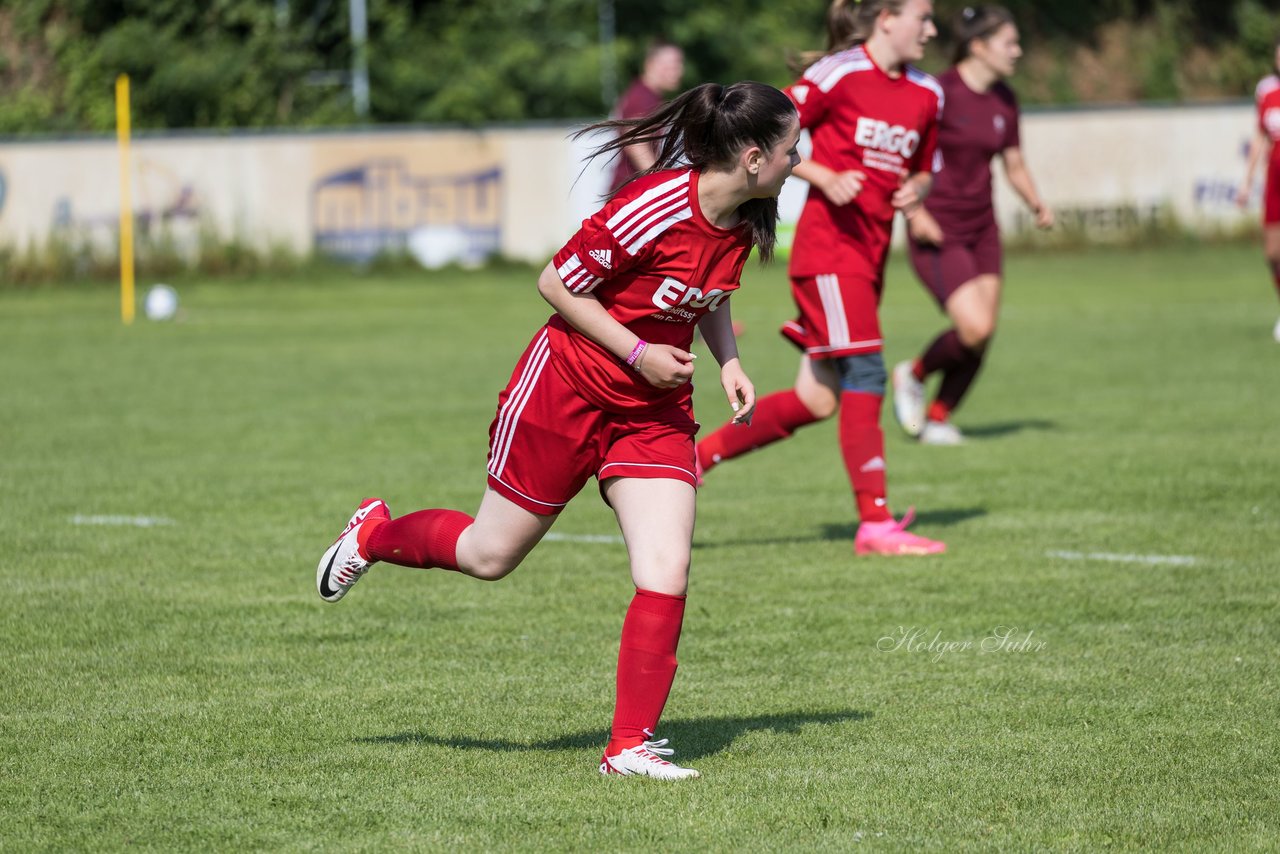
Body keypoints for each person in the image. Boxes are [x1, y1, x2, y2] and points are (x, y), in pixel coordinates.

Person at [315, 82, 802, 781]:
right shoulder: (653, 205)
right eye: (793, 149)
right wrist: (636, 352)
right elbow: (556, 283)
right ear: (754, 158)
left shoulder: (749, 214)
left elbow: (708, 296)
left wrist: (728, 360)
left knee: (666, 568)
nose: (800, 160)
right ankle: (373, 533)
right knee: (488, 556)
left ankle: (627, 747)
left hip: (653, 414)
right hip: (565, 392)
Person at [695, 0, 947, 557]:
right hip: (830, 256)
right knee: (868, 370)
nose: (931, 30)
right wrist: (824, 173)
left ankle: (697, 458)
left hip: (871, 259)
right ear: (887, 18)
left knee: (817, 401)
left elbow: (927, 166)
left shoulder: (929, 93)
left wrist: (919, 193)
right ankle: (875, 524)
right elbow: (768, 135)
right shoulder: (839, 74)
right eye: (923, 18)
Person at [891, 5, 1054, 445]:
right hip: (937, 225)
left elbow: (1014, 163)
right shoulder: (937, 92)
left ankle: (940, 417)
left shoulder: (1005, 98)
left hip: (983, 228)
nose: (1018, 52)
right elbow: (903, 155)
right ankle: (914, 373)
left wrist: (1036, 201)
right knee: (974, 327)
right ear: (978, 47)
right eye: (1010, 43)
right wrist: (915, 212)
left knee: (983, 333)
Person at [1237, 35, 1280, 343]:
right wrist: (1246, 181)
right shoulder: (1266, 90)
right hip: (1275, 179)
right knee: (1273, 253)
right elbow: (1259, 137)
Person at [609, 39, 685, 193]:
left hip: (633, 190)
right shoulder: (642, 97)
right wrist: (661, 183)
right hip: (631, 194)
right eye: (674, 65)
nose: (680, 71)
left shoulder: (649, 96)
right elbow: (634, 141)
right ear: (651, 64)